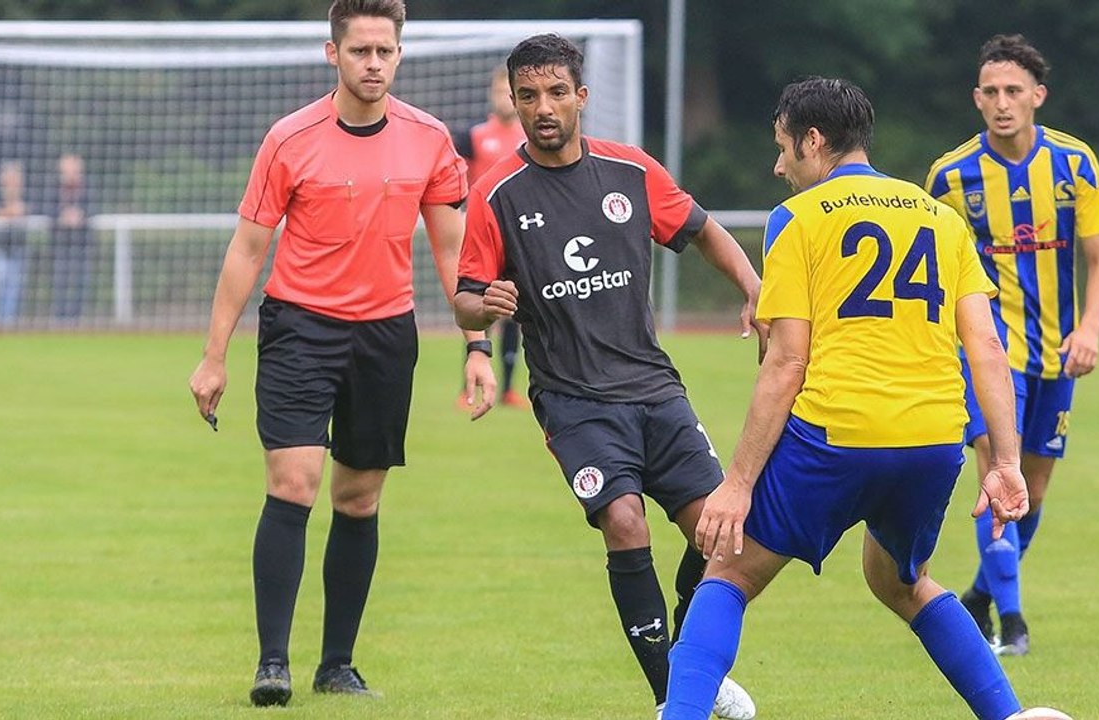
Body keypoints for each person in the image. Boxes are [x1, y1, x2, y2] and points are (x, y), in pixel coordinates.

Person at [662, 77, 1039, 720]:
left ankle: (683, 714)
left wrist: (738, 482)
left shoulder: (797, 219)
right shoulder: (939, 216)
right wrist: (1005, 462)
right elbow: (986, 349)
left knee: (726, 570)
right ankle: (1010, 715)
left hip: (836, 436)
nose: (778, 165)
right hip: (933, 440)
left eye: (783, 147)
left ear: (814, 141)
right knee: (899, 580)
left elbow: (786, 361)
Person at [187, 0, 494, 707]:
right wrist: (214, 356)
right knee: (293, 482)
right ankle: (273, 663)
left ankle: (338, 664)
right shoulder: (290, 139)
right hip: (300, 327)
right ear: (334, 55)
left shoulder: (429, 139)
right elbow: (248, 250)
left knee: (359, 496)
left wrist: (477, 343)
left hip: (386, 334)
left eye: (385, 51)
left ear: (399, 54)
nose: (374, 64)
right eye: (360, 51)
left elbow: (455, 252)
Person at [454, 34, 760, 720]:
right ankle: (670, 699)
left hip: (654, 386)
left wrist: (751, 283)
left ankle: (687, 667)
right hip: (572, 398)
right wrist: (484, 308)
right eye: (528, 95)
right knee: (624, 521)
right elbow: (466, 294)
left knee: (722, 537)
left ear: (581, 97)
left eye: (556, 92)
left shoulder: (630, 172)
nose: (543, 107)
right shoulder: (496, 194)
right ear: (514, 100)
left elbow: (703, 228)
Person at [925, 33, 1099, 656]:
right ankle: (1013, 623)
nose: (1003, 102)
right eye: (991, 92)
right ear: (976, 99)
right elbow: (929, 267)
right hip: (985, 353)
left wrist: (1088, 329)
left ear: (1039, 95)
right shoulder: (950, 176)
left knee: (1032, 486)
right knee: (996, 473)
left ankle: (980, 595)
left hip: (1056, 353)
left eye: (1014, 91)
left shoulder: (1075, 163)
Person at [452, 66, 529, 408]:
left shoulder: (530, 138)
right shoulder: (474, 136)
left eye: (507, 92)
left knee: (514, 311)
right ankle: (467, 385)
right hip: (482, 235)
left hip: (521, 235)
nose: (502, 98)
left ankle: (511, 388)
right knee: (475, 305)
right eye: (497, 91)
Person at [50, 153, 94, 322]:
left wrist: (80, 215)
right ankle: (59, 318)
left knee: (80, 281)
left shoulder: (88, 187)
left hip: (82, 242)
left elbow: (94, 208)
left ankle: (76, 319)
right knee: (60, 280)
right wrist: (62, 217)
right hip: (60, 243)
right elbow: (47, 209)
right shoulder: (53, 187)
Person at [0, 159, 29, 327]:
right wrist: (8, 212)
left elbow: (27, 211)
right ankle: (0, 320)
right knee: (1, 285)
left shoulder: (26, 194)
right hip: (1, 248)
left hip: (19, 247)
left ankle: (10, 322)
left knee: (15, 286)